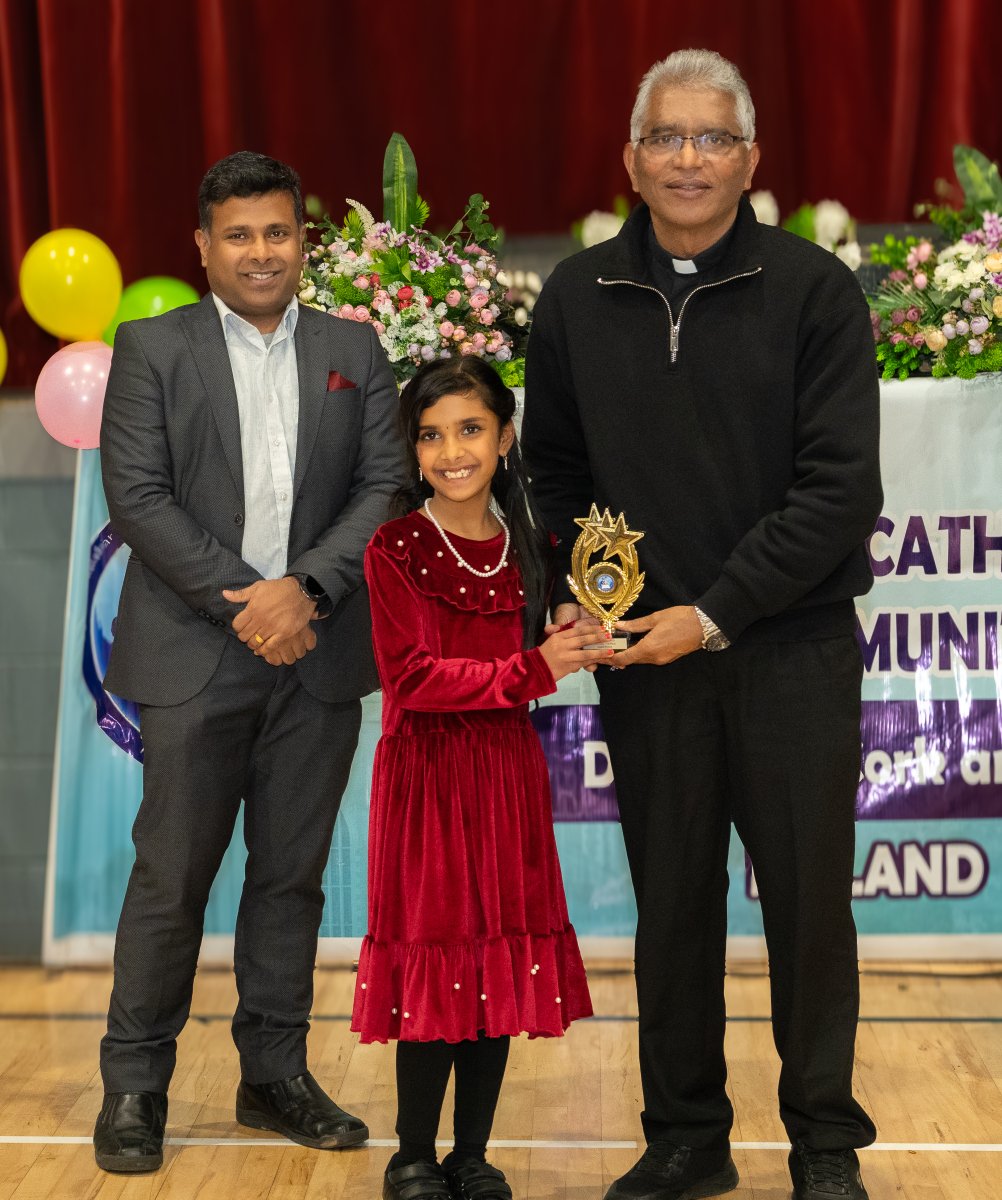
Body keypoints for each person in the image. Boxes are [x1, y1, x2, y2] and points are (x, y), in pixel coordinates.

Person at [522, 49, 881, 1200]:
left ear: (751, 160)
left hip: (792, 654)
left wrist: (714, 614)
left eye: (712, 139)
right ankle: (686, 1137)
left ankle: (824, 1145)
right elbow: (552, 474)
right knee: (673, 907)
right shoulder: (577, 297)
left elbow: (840, 493)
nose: (688, 159)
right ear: (631, 158)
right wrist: (574, 590)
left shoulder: (816, 292)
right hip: (644, 662)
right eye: (666, 138)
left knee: (809, 911)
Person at [94, 151, 405, 1173]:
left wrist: (304, 590)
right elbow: (139, 499)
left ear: (303, 240)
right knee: (172, 877)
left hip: (317, 653)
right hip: (195, 655)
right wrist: (255, 603)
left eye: (278, 232)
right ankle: (135, 1086)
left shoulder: (354, 348)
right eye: (238, 235)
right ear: (203, 246)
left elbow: (385, 487)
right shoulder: (153, 347)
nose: (260, 252)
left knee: (290, 880)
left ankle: (273, 1077)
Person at [351, 356, 598, 1200]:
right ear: (413, 449)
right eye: (431, 435)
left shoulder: (530, 545)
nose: (452, 452)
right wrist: (534, 668)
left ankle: (472, 1154)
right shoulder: (395, 547)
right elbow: (411, 677)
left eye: (470, 430)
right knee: (438, 954)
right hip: (427, 776)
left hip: (505, 774)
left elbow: (564, 610)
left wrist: (570, 619)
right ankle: (413, 1155)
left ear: (505, 438)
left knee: (496, 963)